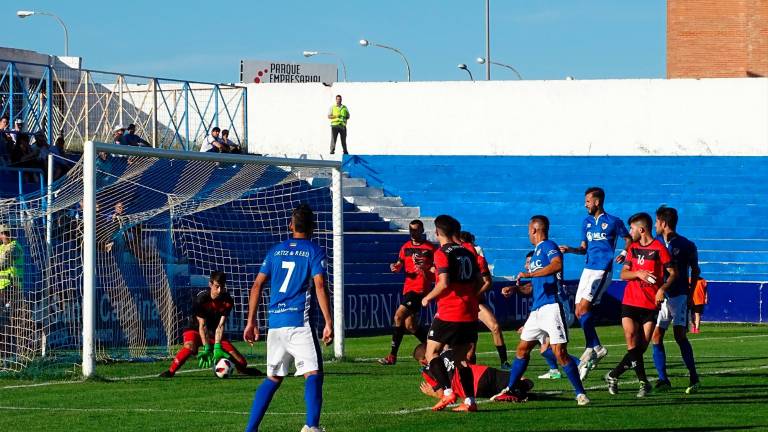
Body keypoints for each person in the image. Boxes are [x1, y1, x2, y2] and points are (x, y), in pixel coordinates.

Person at [244, 204, 333, 432]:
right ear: (312, 226)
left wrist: (251, 322)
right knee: (313, 373)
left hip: (275, 324)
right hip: (298, 323)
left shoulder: (275, 251)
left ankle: (250, 429)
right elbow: (320, 285)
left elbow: (256, 285)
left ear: (290, 225)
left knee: (273, 377)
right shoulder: (314, 251)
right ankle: (311, 427)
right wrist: (329, 322)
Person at [492, 216, 589, 406]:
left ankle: (580, 393)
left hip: (552, 307)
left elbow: (557, 265)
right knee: (522, 349)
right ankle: (510, 389)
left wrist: (529, 273)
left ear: (535, 229)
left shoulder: (547, 245)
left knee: (560, 353)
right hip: (537, 309)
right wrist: (516, 289)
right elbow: (534, 286)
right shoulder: (536, 253)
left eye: (529, 230)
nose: (528, 233)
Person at [559, 187, 631, 380]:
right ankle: (596, 347)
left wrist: (624, 253)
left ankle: (594, 348)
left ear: (597, 202)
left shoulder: (614, 221)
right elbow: (583, 248)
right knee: (577, 311)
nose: (585, 205)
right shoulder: (586, 222)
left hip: (602, 270)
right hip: (588, 268)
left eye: (588, 201)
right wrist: (570, 250)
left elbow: (629, 239)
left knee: (583, 308)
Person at [604, 212, 677, 398]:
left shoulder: (659, 248)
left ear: (641, 229)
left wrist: (662, 289)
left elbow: (672, 273)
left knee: (640, 348)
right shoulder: (633, 248)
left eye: (632, 228)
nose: (630, 232)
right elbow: (623, 274)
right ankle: (644, 383)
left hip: (651, 304)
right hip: (630, 301)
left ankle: (613, 375)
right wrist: (639, 274)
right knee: (630, 339)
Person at [420, 214, 482, 412]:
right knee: (462, 359)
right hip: (470, 313)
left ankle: (448, 392)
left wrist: (428, 297)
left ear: (437, 232)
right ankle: (470, 402)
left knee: (432, 353)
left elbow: (444, 282)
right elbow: (480, 282)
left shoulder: (442, 253)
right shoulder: (469, 252)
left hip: (450, 312)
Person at [159, 271, 260, 377]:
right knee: (190, 347)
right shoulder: (201, 299)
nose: (220, 290)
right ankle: (170, 371)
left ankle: (242, 370)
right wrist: (207, 347)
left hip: (214, 333)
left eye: (222, 286)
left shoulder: (228, 300)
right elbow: (202, 325)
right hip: (195, 330)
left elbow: (221, 325)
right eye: (217, 286)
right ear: (210, 284)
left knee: (242, 363)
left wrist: (217, 346)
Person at [502, 251, 581, 380]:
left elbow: (529, 288)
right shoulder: (540, 274)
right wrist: (514, 288)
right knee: (543, 346)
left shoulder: (542, 272)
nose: (527, 265)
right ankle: (554, 370)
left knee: (548, 350)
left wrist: (516, 286)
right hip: (554, 309)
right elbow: (530, 287)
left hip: (557, 310)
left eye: (529, 262)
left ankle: (579, 364)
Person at [651, 206, 701, 394]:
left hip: (679, 296)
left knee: (679, 336)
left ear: (663, 223)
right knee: (656, 336)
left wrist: (691, 294)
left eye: (656, 221)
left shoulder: (686, 244)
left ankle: (694, 377)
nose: (655, 225)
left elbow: (695, 270)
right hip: (663, 297)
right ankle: (663, 379)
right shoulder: (655, 243)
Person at [378, 219, 435, 365]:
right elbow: (399, 264)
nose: (413, 233)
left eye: (416, 230)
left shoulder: (430, 249)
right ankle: (435, 347)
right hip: (408, 288)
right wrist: (395, 267)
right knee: (410, 325)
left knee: (398, 316)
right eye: (411, 230)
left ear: (422, 231)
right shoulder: (405, 247)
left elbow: (437, 269)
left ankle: (392, 356)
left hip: (420, 289)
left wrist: (427, 270)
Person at [413, 343, 534, 402]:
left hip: (475, 391)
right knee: (525, 381)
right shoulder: (448, 351)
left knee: (510, 389)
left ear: (423, 360)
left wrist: (431, 393)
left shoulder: (427, 372)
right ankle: (516, 391)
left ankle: (514, 393)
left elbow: (444, 395)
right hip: (483, 374)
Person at [458, 231, 509, 368]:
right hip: (460, 304)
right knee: (465, 342)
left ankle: (504, 361)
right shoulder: (456, 260)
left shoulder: (479, 260)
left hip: (476, 302)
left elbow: (488, 282)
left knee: (495, 327)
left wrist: (475, 295)